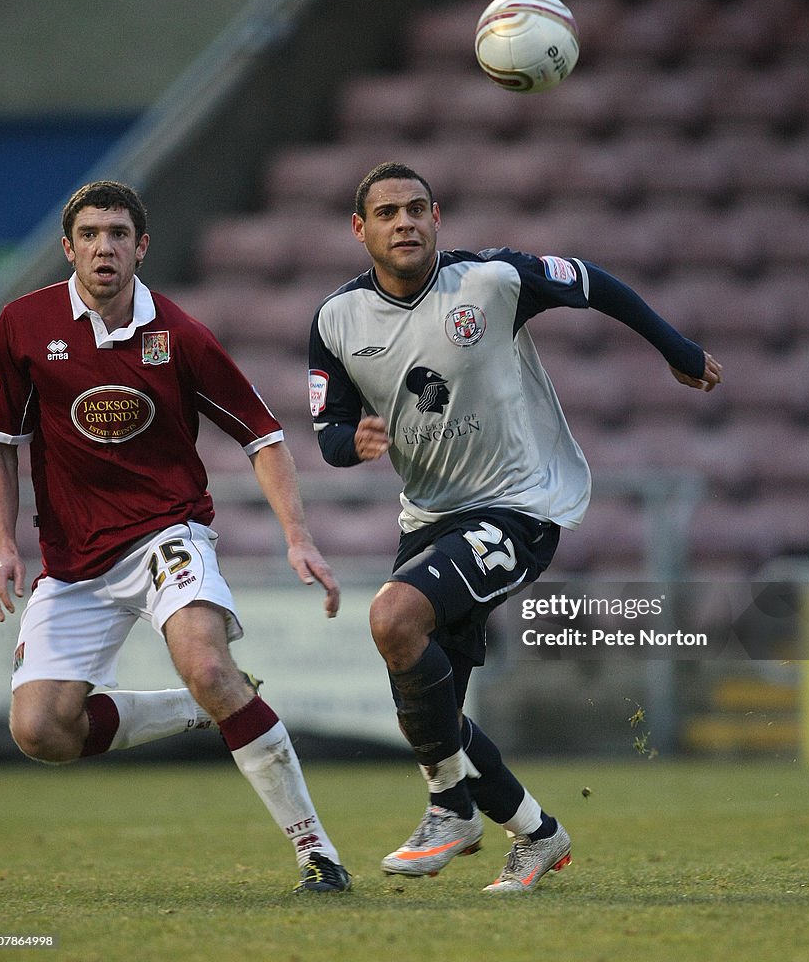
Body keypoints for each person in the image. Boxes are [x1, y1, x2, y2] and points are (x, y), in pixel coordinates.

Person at [308, 162, 722, 893]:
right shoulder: (336, 320)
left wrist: (677, 350)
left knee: (393, 619)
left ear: (438, 218)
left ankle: (449, 810)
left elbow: (594, 283)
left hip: (521, 504)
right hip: (430, 517)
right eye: (387, 213)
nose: (404, 222)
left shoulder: (491, 281)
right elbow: (331, 430)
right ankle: (536, 833)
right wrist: (356, 444)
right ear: (360, 229)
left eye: (416, 209)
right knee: (434, 710)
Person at [0, 180, 351, 894]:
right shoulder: (25, 325)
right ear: (68, 248)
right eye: (89, 235)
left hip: (165, 535)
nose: (104, 247)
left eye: (118, 234)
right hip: (73, 562)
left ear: (141, 247)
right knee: (41, 732)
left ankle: (318, 854)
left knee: (209, 666)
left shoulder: (180, 336)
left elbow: (264, 437)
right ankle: (195, 707)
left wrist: (297, 537)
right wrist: (2, 548)